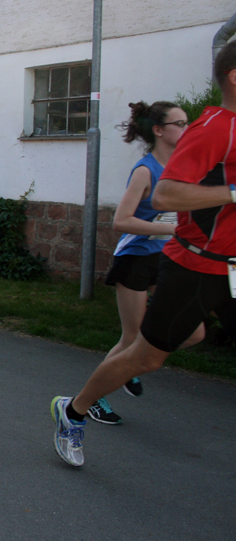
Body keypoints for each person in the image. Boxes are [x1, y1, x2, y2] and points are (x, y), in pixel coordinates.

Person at [50, 42, 236, 468]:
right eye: (176, 123)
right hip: (193, 265)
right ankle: (75, 410)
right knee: (145, 353)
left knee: (165, 341)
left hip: (228, 265)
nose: (183, 127)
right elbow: (164, 195)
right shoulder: (213, 130)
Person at [88, 102, 204, 425]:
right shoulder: (145, 170)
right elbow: (121, 221)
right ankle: (93, 399)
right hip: (136, 259)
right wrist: (171, 229)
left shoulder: (185, 166)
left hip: (168, 258)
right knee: (131, 338)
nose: (186, 128)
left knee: (195, 332)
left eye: (187, 122)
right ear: (158, 130)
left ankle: (131, 365)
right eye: (179, 123)